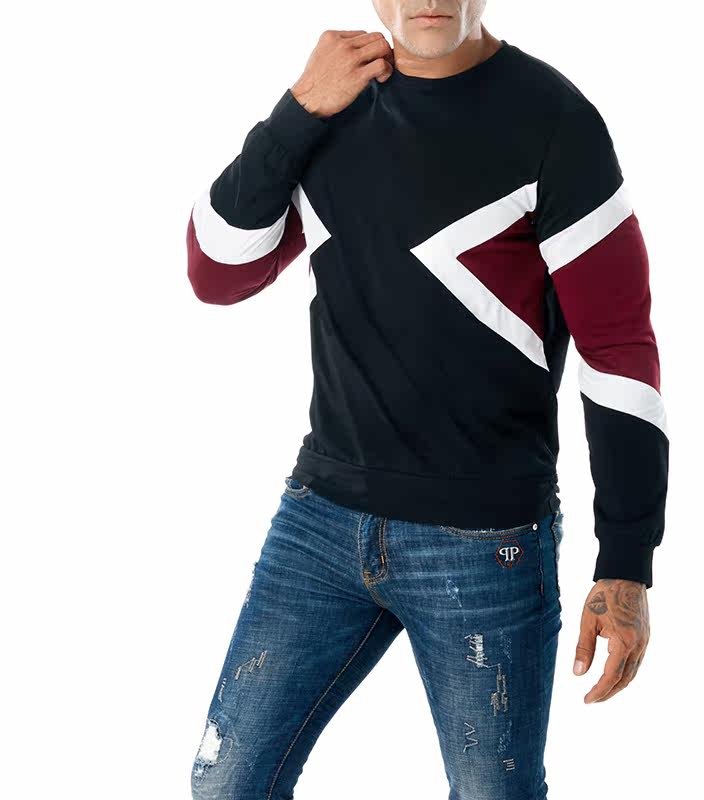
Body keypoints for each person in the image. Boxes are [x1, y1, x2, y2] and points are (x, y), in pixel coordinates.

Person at [185, 2, 669, 797]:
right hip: (319, 522)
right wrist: (296, 112)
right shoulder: (331, 103)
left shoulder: (555, 122)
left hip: (483, 540)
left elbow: (618, 349)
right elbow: (217, 271)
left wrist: (626, 561)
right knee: (225, 783)